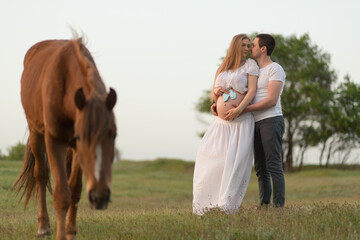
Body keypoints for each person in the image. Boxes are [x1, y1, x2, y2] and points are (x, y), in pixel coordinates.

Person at [192, 34, 259, 215]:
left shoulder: (251, 66)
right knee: (209, 158)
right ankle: (205, 204)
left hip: (240, 122)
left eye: (249, 45)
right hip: (220, 123)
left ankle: (227, 206)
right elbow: (214, 95)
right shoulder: (224, 67)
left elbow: (251, 91)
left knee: (233, 164)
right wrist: (215, 100)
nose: (247, 49)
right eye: (244, 45)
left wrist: (239, 110)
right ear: (235, 46)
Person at [244, 33, 286, 207]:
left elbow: (271, 100)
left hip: (271, 120)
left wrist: (246, 109)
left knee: (273, 164)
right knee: (260, 167)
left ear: (263, 48)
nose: (250, 48)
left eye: (253, 45)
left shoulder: (274, 69)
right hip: (255, 122)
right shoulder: (253, 70)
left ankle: (278, 207)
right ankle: (264, 205)